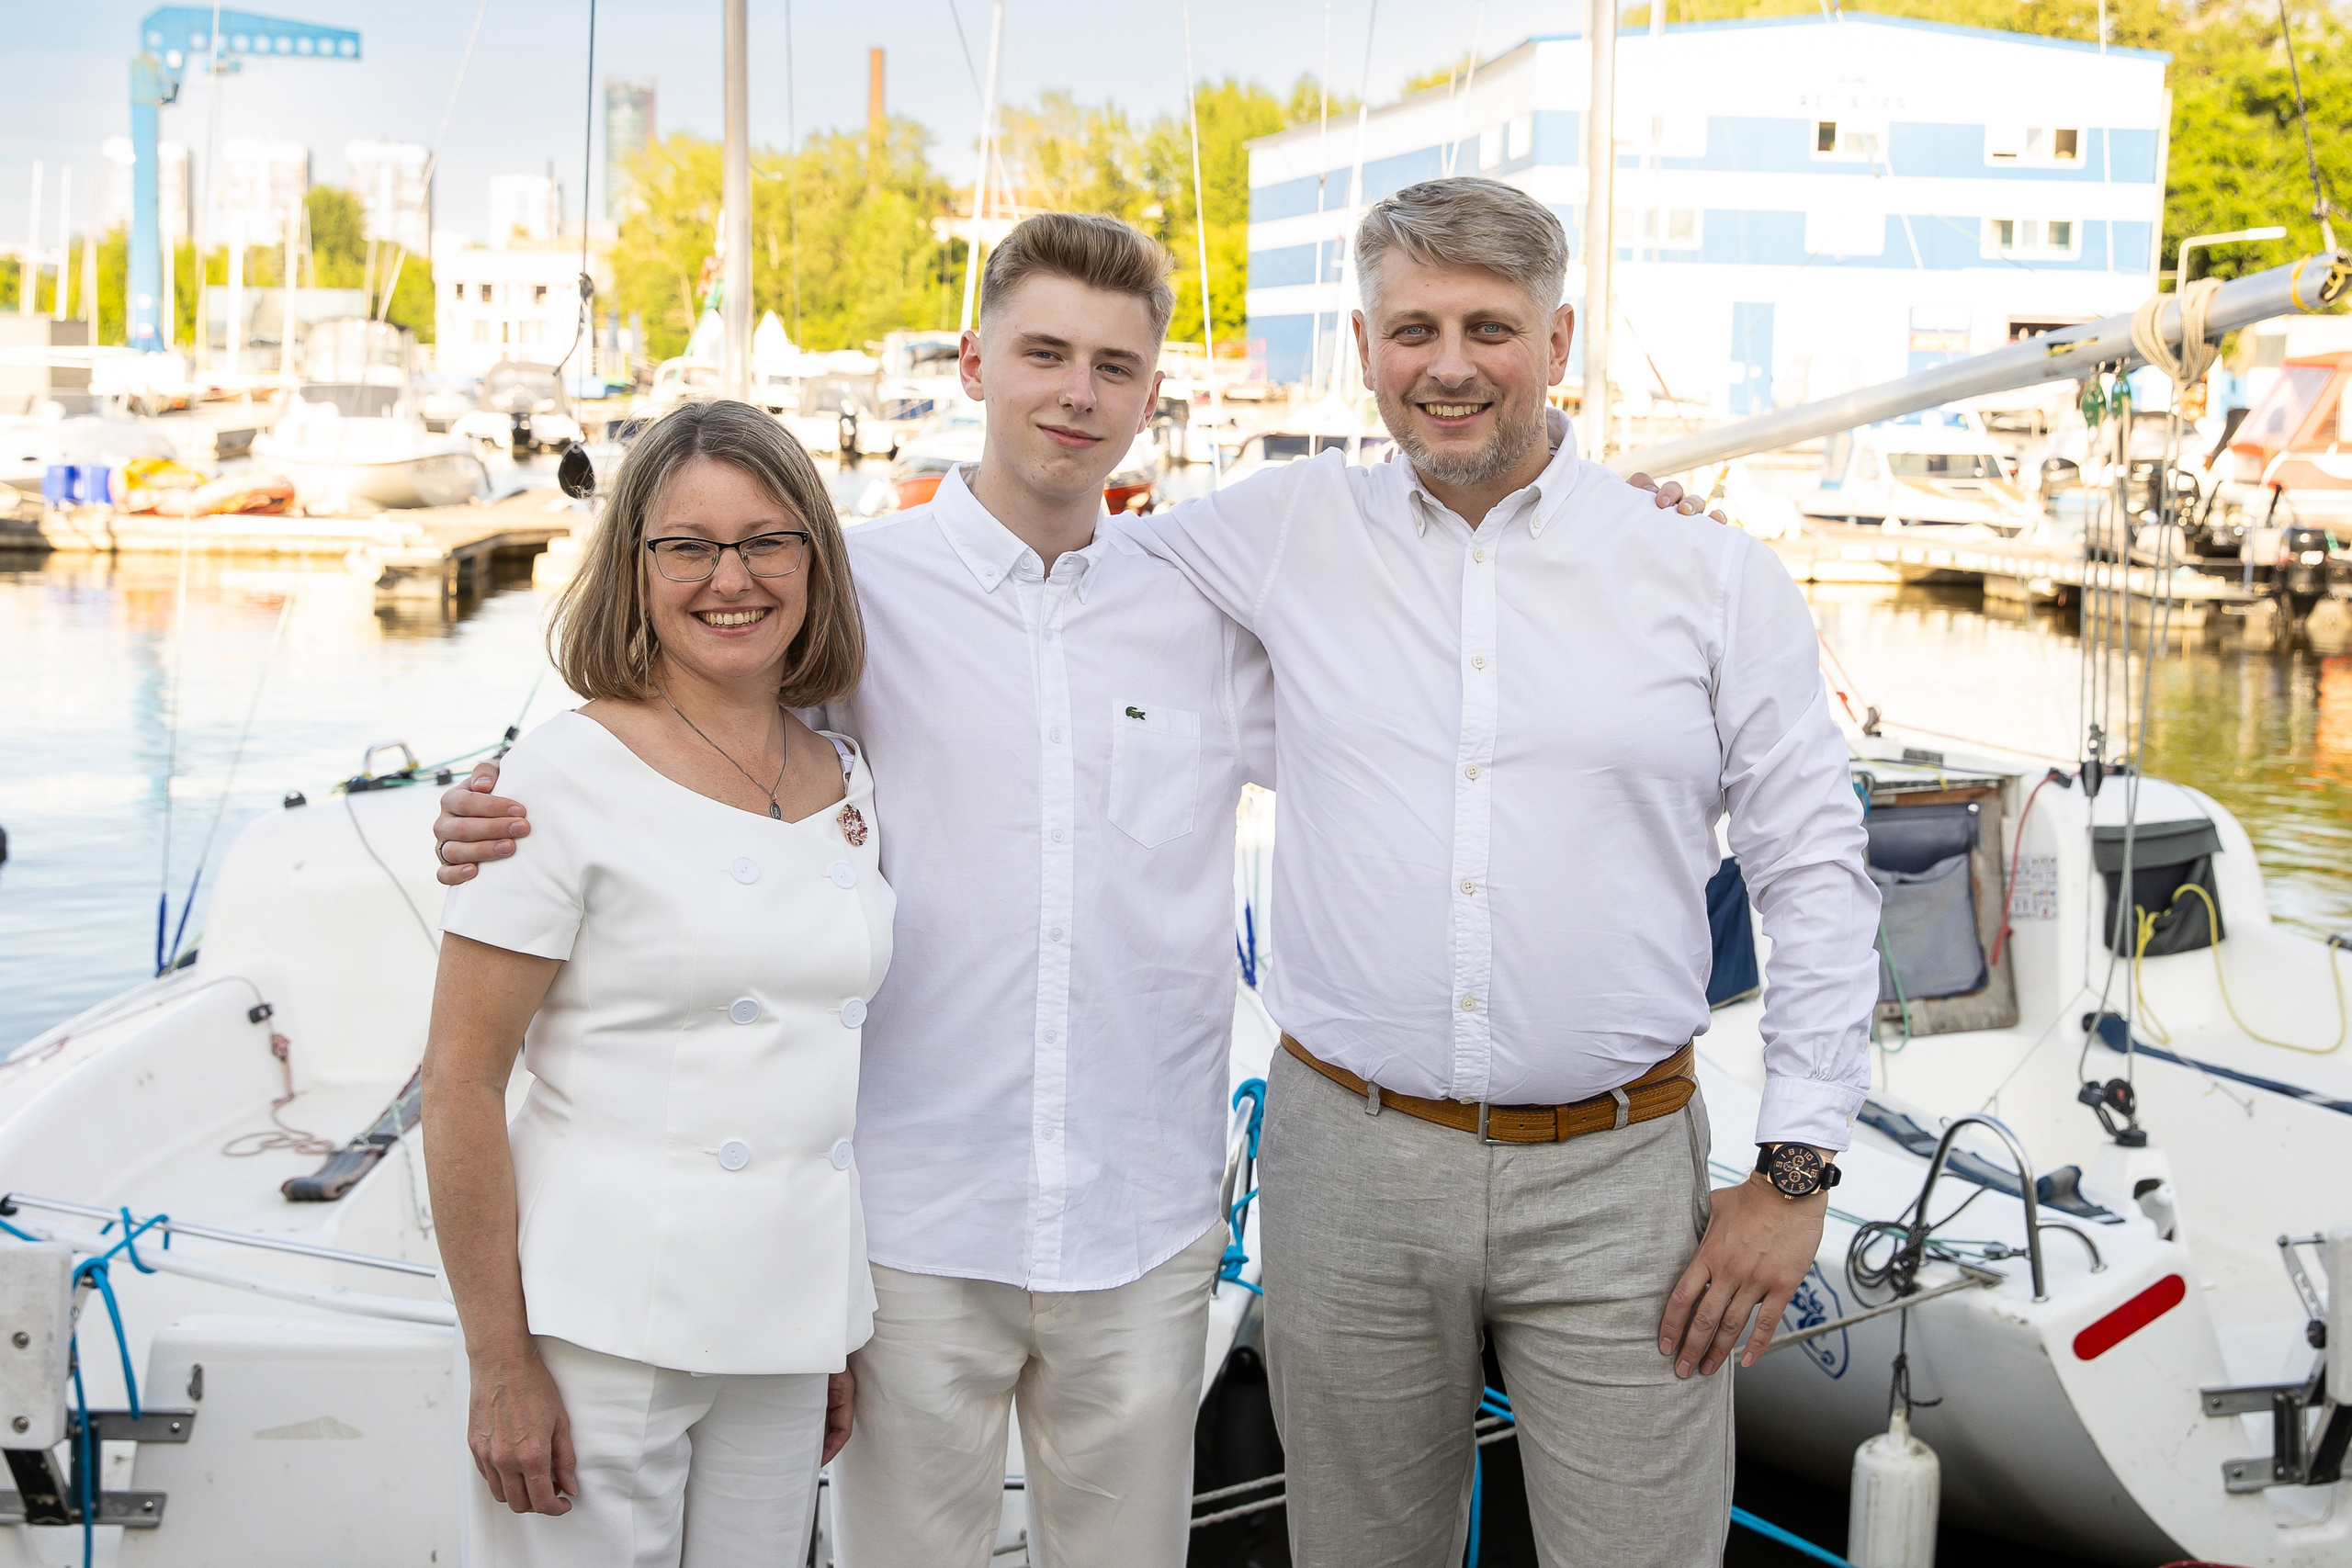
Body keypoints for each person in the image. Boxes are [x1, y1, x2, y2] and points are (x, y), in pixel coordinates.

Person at [433, 209, 1732, 1563]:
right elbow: (665, 721)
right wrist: (486, 800)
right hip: (914, 1218)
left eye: (1114, 365)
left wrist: (1615, 525)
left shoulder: (1210, 603)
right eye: (1044, 351)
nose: (1076, 392)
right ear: (974, 359)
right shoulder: (848, 594)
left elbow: (1449, 717)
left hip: (1142, 1220)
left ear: (1151, 394)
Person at [1123, 175, 1880, 1565]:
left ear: (1559, 338)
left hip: (1619, 1173)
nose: (1450, 365)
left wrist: (1796, 1168)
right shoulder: (1280, 529)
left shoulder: (1706, 573)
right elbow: (1057, 579)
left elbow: (1815, 870)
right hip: (1346, 1158)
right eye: (1413, 329)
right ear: (1364, 351)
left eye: (1490, 325)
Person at [423, 400, 885, 1566]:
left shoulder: (843, 772)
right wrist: (499, 1364)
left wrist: (824, 1332)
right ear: (633, 570)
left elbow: (806, 1072)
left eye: (767, 540)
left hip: (781, 1330)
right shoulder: (558, 777)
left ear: (814, 561)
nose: (730, 578)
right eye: (687, 546)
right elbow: (461, 1085)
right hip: (600, 1331)